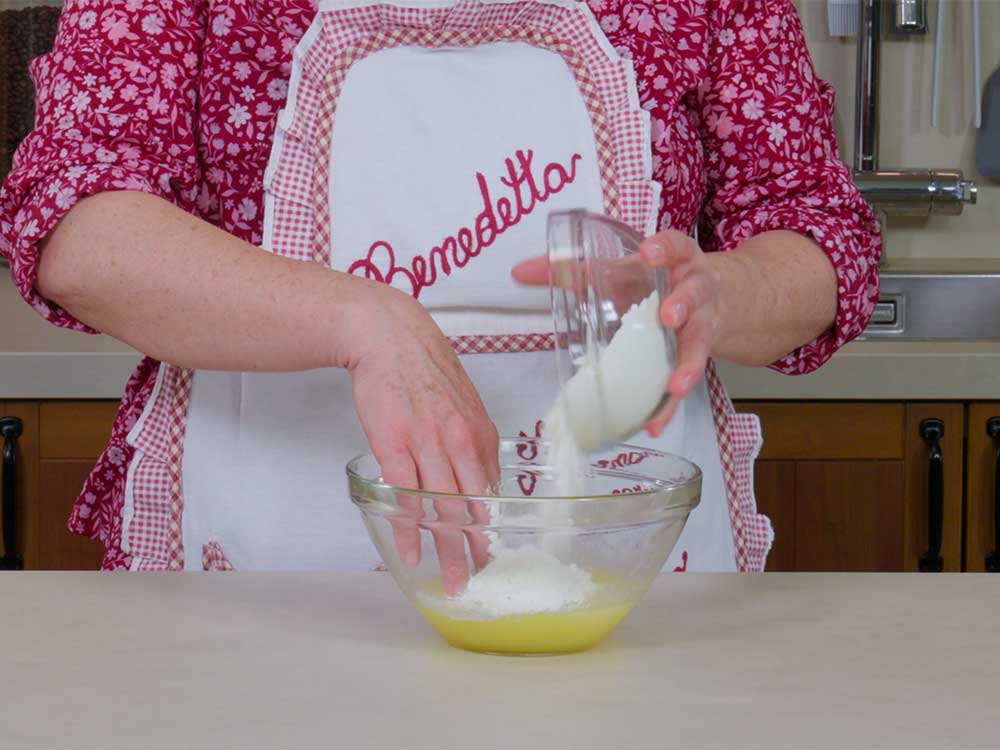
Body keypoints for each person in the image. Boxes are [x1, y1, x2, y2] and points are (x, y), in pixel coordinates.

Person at [0, 0, 880, 577]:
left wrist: (720, 288)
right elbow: (81, 229)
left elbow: (818, 234)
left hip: (621, 575)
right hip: (270, 565)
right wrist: (365, 321)